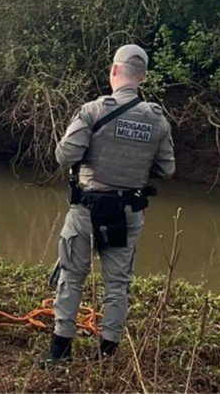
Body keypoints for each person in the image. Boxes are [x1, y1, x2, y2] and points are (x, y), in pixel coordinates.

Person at [42, 44, 175, 365]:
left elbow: (65, 156)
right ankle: (106, 356)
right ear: (142, 77)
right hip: (126, 213)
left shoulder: (92, 111)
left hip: (86, 210)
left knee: (72, 278)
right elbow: (167, 169)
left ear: (113, 71)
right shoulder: (157, 120)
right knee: (117, 285)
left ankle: (59, 355)